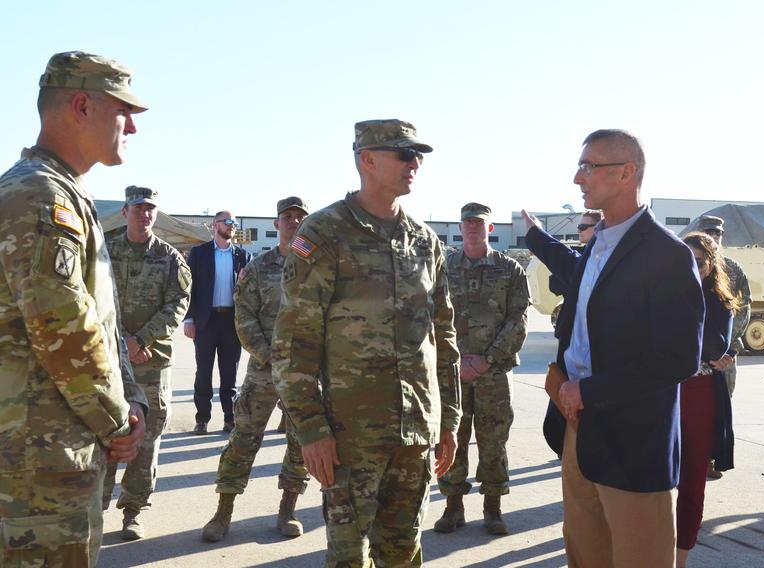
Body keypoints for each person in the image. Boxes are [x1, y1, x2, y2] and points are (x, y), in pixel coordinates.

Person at [272, 119, 461, 567]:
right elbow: (294, 343)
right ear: (367, 159)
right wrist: (312, 430)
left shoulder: (424, 240)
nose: (414, 163)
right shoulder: (323, 233)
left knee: (403, 553)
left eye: (417, 155)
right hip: (349, 435)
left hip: (416, 430)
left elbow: (443, 336)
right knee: (348, 557)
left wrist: (449, 420)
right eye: (403, 153)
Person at [522, 128, 704, 568]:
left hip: (632, 440)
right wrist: (535, 236)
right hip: (578, 428)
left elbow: (680, 356)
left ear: (627, 172)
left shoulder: (667, 254)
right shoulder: (596, 246)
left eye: (589, 166)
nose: (578, 178)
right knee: (585, 553)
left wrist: (591, 390)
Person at [0, 51, 149, 568]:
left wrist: (130, 400)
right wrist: (116, 421)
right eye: (123, 111)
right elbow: (62, 328)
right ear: (82, 105)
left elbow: (100, 322)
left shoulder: (61, 192)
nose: (131, 125)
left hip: (57, 449)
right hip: (37, 462)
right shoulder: (40, 196)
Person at [202, 197, 311, 542]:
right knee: (243, 440)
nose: (293, 222)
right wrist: (266, 353)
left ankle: (288, 509)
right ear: (277, 223)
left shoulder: (321, 266)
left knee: (301, 443)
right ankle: (223, 511)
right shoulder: (259, 267)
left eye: (299, 217)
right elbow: (243, 314)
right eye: (287, 217)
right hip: (263, 369)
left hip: (305, 373)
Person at [435, 202, 530, 535]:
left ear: (490, 229)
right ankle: (453, 508)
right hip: (452, 373)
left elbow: (518, 319)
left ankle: (493, 508)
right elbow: (429, 318)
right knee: (450, 440)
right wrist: (457, 360)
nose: (473, 227)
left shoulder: (508, 269)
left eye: (479, 223)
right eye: (467, 223)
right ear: (460, 228)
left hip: (494, 372)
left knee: (493, 441)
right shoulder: (442, 268)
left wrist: (487, 359)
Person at [103, 186, 191, 540]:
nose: (145, 214)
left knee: (148, 436)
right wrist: (122, 341)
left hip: (152, 361)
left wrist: (141, 339)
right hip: (110, 358)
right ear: (125, 212)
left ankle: (134, 511)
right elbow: (95, 298)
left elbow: (178, 303)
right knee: (106, 431)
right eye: (138, 208)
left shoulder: (170, 258)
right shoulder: (105, 253)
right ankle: (95, 508)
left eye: (151, 208)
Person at [676, 232, 738, 568]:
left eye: (697, 262)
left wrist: (692, 296)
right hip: (660, 395)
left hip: (699, 395)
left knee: (692, 481)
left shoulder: (720, 302)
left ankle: (680, 557)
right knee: (651, 477)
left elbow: (715, 347)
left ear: (711, 264)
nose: (690, 267)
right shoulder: (659, 295)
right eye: (684, 260)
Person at [692, 214, 751, 480]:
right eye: (708, 231)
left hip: (726, 353)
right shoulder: (685, 267)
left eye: (717, 233)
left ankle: (711, 457)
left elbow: (741, 307)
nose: (714, 236)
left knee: (720, 403)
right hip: (699, 359)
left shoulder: (733, 269)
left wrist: (727, 349)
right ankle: (699, 456)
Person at [184, 210, 251, 434]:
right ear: (215, 225)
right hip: (206, 320)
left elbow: (249, 292)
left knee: (229, 374)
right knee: (203, 373)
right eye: (227, 222)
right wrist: (189, 318)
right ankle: (202, 418)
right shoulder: (199, 253)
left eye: (234, 222)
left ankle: (229, 418)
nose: (231, 225)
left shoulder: (243, 256)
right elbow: (189, 289)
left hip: (231, 322)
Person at [549, 210, 601, 296]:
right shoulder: (581, 253)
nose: (579, 231)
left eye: (583, 227)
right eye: (579, 227)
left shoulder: (605, 255)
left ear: (598, 227)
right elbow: (555, 287)